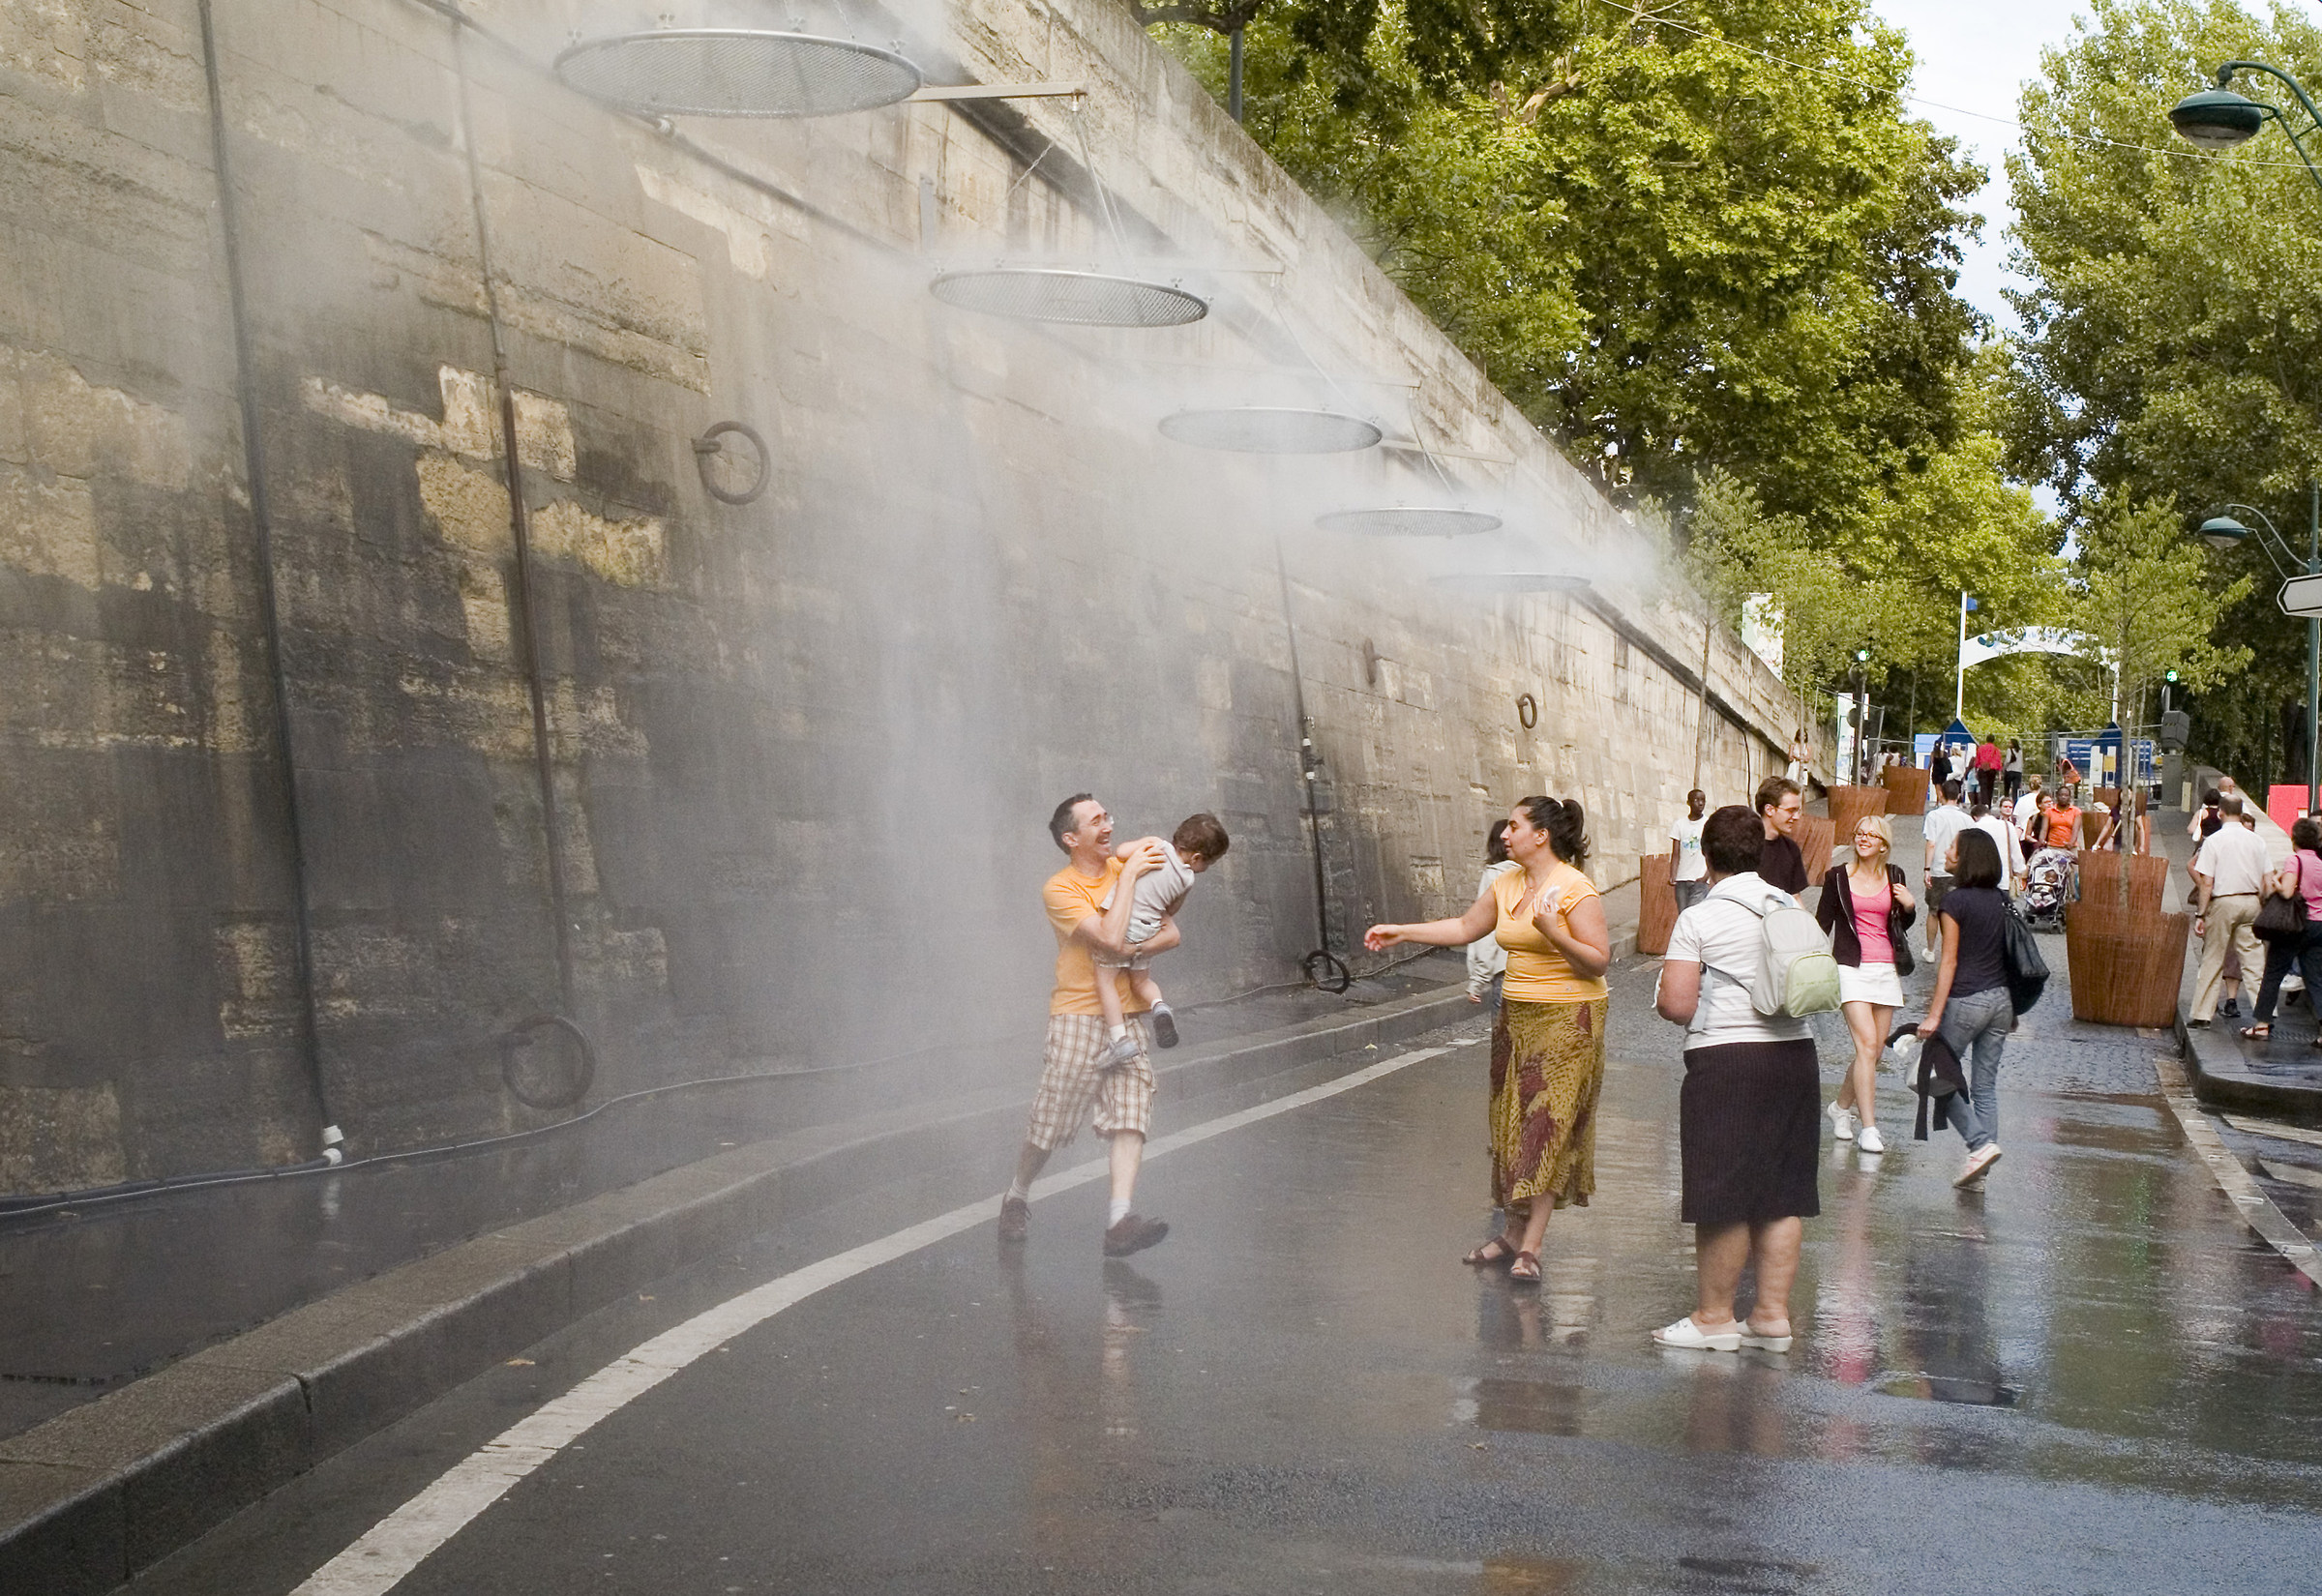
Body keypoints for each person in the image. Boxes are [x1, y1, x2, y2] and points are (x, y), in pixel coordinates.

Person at [1365, 796, 1611, 1286]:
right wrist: (1402, 932)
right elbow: (1462, 927)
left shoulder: (1574, 889)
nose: (1505, 833)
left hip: (1569, 1019)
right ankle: (1510, 1234)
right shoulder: (1507, 883)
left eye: (1515, 826)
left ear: (1540, 835)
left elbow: (1598, 960)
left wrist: (1551, 930)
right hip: (1515, 1016)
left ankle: (1532, 1247)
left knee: (1546, 1127)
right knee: (1511, 1126)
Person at [1650, 805, 1820, 1351]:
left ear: (1707, 856)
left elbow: (1678, 1005)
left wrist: (1663, 993)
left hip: (1727, 1058)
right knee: (1783, 1191)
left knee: (1721, 1189)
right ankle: (1771, 1317)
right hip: (1796, 1054)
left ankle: (1714, 1317)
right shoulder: (1786, 905)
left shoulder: (1699, 917)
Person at [997, 794, 1173, 1256]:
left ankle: (1119, 1222)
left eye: (1108, 816)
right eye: (1096, 821)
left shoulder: (1126, 869)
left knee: (1133, 1110)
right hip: (1077, 1013)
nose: (1108, 826)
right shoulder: (1060, 889)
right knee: (1051, 1121)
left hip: (1127, 1012)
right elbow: (1109, 939)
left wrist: (1139, 948)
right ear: (1071, 838)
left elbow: (1166, 930)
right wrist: (1131, 875)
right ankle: (1016, 1194)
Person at [1916, 829, 2013, 1188]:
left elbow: (1949, 962)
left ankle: (1979, 1144)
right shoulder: (2002, 900)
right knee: (1984, 1087)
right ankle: (1980, 1168)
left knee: (1930, 1075)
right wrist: (2012, 1009)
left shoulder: (1954, 902)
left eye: (1953, 847)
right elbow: (2008, 956)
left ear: (1967, 856)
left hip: (1966, 1001)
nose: (1947, 852)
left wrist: (1934, 1015)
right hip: (2001, 1000)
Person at [1090, 813, 1231, 1064]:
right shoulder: (1187, 879)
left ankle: (1119, 1040)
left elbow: (1121, 852)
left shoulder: (1157, 846)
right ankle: (1159, 1005)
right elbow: (1172, 910)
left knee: (1105, 980)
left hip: (1123, 921)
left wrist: (1144, 843)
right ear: (1197, 858)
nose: (1204, 870)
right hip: (1149, 928)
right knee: (1142, 981)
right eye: (1208, 864)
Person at [1817, 813, 1915, 1156]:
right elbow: (1822, 923)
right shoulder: (1837, 877)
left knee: (1871, 1053)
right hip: (1849, 967)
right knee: (1866, 1044)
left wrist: (1910, 906)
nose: (1863, 839)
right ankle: (1869, 1128)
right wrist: (1812, 962)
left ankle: (1841, 1108)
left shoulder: (1895, 875)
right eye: (1859, 833)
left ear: (1883, 844)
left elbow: (1901, 924)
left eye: (1871, 835)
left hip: (1886, 967)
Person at [2189, 795, 2271, 1028]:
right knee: (2254, 962)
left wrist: (2201, 914)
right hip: (2252, 902)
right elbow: (2267, 879)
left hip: (2224, 901)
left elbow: (2206, 882)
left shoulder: (2215, 841)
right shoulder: (2258, 841)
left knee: (2213, 958)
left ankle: (2203, 1014)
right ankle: (2265, 1014)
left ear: (2222, 813)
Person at [2243, 817, 2322, 1040]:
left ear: (2294, 838)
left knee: (2273, 974)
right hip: (2319, 926)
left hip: (2295, 926)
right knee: (2316, 979)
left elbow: (2287, 892)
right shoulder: (2320, 862)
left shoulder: (2295, 860)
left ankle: (2261, 1025)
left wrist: (2276, 880)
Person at [1466, 820, 1520, 1004]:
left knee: (1504, 1032)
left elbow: (1485, 931)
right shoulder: (1537, 872)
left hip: (1506, 971)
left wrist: (1477, 980)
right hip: (1536, 972)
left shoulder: (1494, 876)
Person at [1920, 780, 1971, 962]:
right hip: (1959, 870)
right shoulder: (1967, 818)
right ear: (1958, 796)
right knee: (1957, 913)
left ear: (1941, 794)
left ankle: (1931, 950)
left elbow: (1931, 843)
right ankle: (1955, 950)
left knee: (1934, 910)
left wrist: (1927, 868)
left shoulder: (1934, 816)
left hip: (1939, 869)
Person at [1755, 776, 1808, 898]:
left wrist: (1806, 917)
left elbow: (1795, 898)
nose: (1797, 817)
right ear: (1769, 810)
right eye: (1791, 810)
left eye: (1798, 811)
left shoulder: (1791, 849)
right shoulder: (1741, 846)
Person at [1969, 800, 2023, 895]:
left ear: (1975, 817)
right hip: (2004, 880)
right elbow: (2016, 854)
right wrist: (2019, 874)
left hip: (1981, 882)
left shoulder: (1974, 827)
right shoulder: (2008, 826)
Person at [1670, 789, 1710, 914]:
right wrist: (1673, 875)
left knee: (1694, 915)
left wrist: (1706, 877)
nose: (1700, 803)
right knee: (1682, 916)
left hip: (1699, 880)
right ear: (1688, 802)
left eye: (1703, 800)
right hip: (1682, 879)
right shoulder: (1679, 825)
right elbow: (1676, 853)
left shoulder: (1708, 824)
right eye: (1696, 800)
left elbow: (1712, 852)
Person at [1973, 735, 2004, 808]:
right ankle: (1989, 804)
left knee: (1983, 787)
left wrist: (1976, 769)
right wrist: (1999, 772)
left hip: (1982, 768)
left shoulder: (1981, 748)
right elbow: (1998, 761)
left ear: (1986, 739)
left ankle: (1984, 803)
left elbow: (1977, 759)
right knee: (1990, 787)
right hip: (1992, 769)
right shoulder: (1996, 749)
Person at [2003, 738, 2024, 802]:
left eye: (2010, 743)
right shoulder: (2020, 751)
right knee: (2015, 790)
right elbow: (2021, 761)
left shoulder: (2009, 750)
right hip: (2018, 772)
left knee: (2007, 788)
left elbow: (2008, 760)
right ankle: (2015, 802)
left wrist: (2004, 767)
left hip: (2010, 770)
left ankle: (2006, 801)